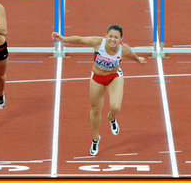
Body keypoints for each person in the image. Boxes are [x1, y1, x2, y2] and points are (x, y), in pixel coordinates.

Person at [52, 25, 146, 156]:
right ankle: (96, 138)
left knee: (115, 107)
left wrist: (138, 60)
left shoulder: (123, 49)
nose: (112, 39)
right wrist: (63, 39)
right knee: (95, 110)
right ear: (106, 36)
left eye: (116, 37)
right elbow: (80, 40)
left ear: (120, 39)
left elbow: (131, 55)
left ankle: (111, 117)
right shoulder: (98, 42)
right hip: (97, 78)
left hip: (114, 77)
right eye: (110, 36)